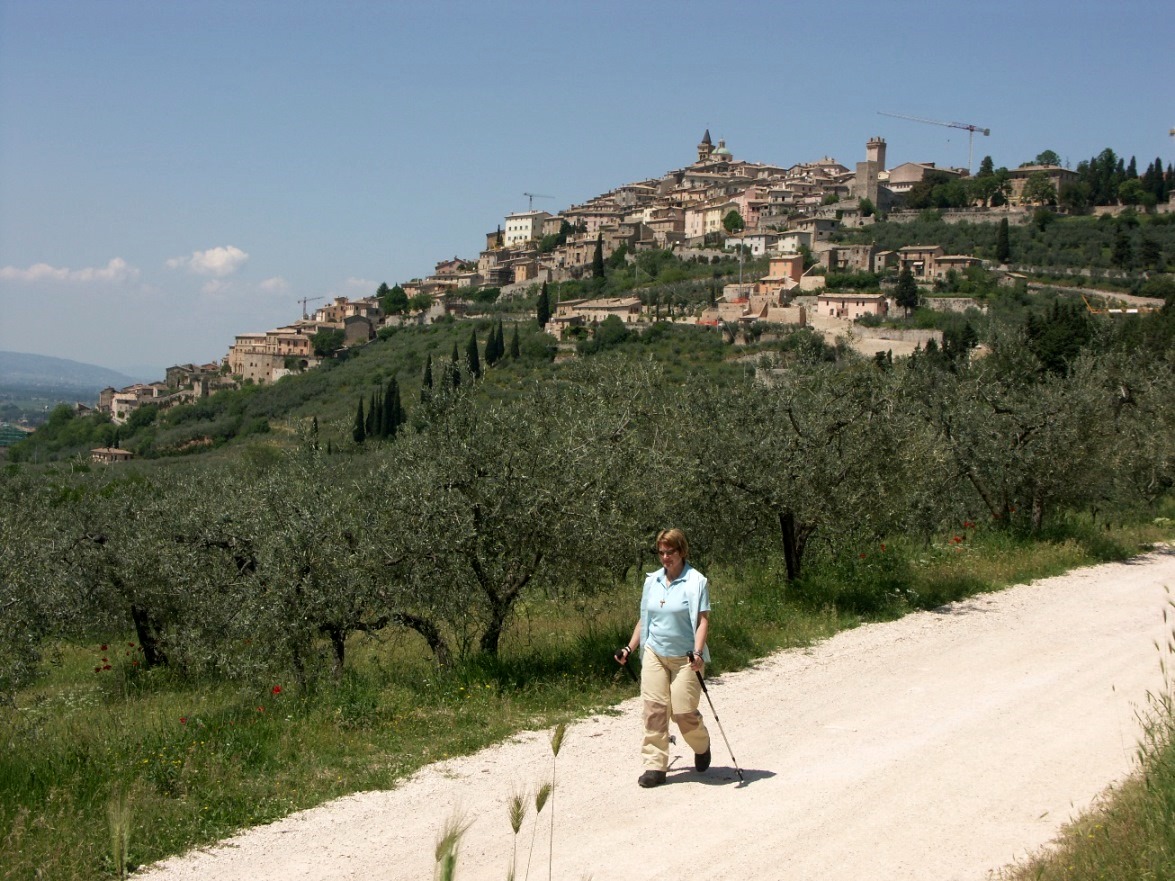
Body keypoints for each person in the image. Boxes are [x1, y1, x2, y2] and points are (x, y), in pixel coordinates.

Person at [615, 527, 712, 787]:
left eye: (670, 552)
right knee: (654, 712)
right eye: (661, 552)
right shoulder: (652, 581)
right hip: (655, 653)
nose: (665, 557)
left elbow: (703, 621)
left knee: (683, 713)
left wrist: (699, 653)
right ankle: (655, 767)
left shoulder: (696, 581)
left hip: (686, 659)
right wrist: (629, 648)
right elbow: (645, 620)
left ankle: (702, 745)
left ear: (682, 551)